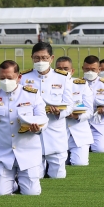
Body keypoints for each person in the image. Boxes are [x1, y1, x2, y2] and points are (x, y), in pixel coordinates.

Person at [0, 60, 48, 196]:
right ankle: (12, 183)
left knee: (32, 193)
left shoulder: (32, 95)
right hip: (2, 154)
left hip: (28, 153)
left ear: (19, 77)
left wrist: (38, 129)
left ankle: (23, 179)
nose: (5, 81)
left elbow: (43, 119)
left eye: (9, 78)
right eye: (2, 77)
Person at [19, 42, 74, 179]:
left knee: (58, 176)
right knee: (35, 176)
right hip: (32, 132)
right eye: (37, 58)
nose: (40, 61)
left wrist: (59, 112)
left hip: (55, 131)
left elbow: (70, 104)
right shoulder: (23, 77)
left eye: (44, 58)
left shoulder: (62, 77)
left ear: (51, 58)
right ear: (31, 58)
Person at [56, 56, 93, 166]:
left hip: (79, 133)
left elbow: (90, 111)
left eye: (66, 68)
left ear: (72, 71)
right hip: (58, 134)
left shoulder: (81, 85)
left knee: (80, 163)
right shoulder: (49, 87)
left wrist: (76, 116)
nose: (62, 71)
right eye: (59, 69)